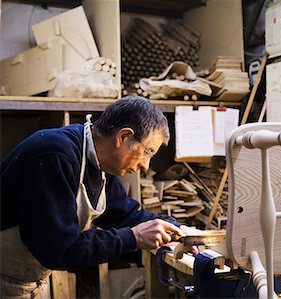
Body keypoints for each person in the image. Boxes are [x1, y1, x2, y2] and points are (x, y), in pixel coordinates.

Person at [0, 95, 190, 298]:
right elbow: (61, 249)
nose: (145, 165)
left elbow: (125, 214)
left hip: (31, 280)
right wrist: (134, 237)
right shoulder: (54, 155)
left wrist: (179, 229)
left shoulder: (100, 164)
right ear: (123, 137)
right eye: (147, 152)